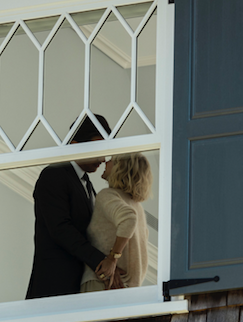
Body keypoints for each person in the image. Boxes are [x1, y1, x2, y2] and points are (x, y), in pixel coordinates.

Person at [25, 116, 118, 299]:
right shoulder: (53, 175)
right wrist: (101, 261)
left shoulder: (87, 185)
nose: (103, 158)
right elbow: (61, 229)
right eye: (98, 148)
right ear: (75, 144)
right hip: (53, 289)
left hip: (75, 289)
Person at [80, 153, 153, 291]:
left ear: (120, 168)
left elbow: (128, 219)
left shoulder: (108, 195)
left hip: (101, 283)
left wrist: (112, 259)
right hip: (125, 291)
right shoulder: (138, 207)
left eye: (111, 160)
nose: (106, 162)